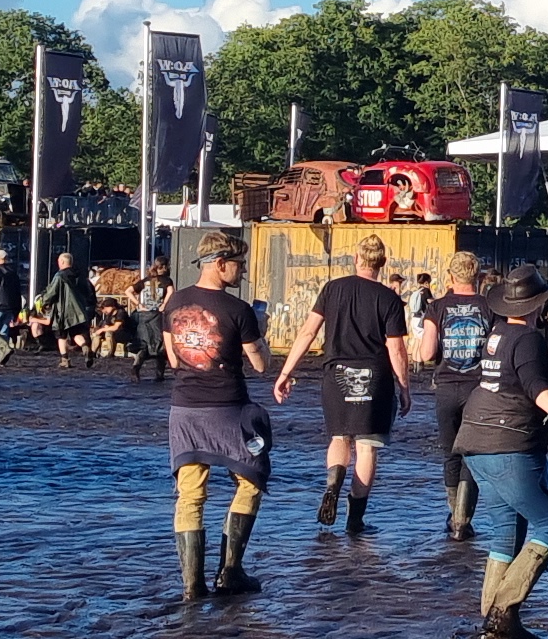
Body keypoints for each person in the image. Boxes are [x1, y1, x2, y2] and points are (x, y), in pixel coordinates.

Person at [456, 265, 548, 639]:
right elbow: (536, 387)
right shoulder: (528, 339)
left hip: (475, 439)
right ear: (540, 303)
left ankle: (499, 627)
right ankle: (501, 611)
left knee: (505, 532)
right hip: (508, 443)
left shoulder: (497, 334)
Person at [157, 233, 274, 602]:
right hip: (226, 406)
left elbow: (174, 360)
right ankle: (231, 571)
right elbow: (259, 364)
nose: (241, 270)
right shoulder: (238, 310)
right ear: (220, 263)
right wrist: (262, 331)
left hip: (185, 409)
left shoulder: (174, 302)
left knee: (190, 494)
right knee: (252, 478)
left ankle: (193, 585)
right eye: (238, 263)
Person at [277, 236, 413, 536]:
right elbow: (396, 349)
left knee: (340, 437)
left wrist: (286, 372)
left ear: (356, 258)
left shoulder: (332, 289)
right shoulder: (389, 298)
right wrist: (404, 387)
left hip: (336, 374)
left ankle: (332, 485)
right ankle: (355, 520)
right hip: (374, 377)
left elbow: (307, 332)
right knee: (366, 450)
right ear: (382, 263)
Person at [417, 253, 490, 541]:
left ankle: (453, 515)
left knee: (450, 453)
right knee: (473, 454)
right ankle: (464, 519)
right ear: (479, 277)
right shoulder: (489, 307)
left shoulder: (437, 307)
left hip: (446, 386)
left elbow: (426, 354)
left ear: (450, 277)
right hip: (479, 389)